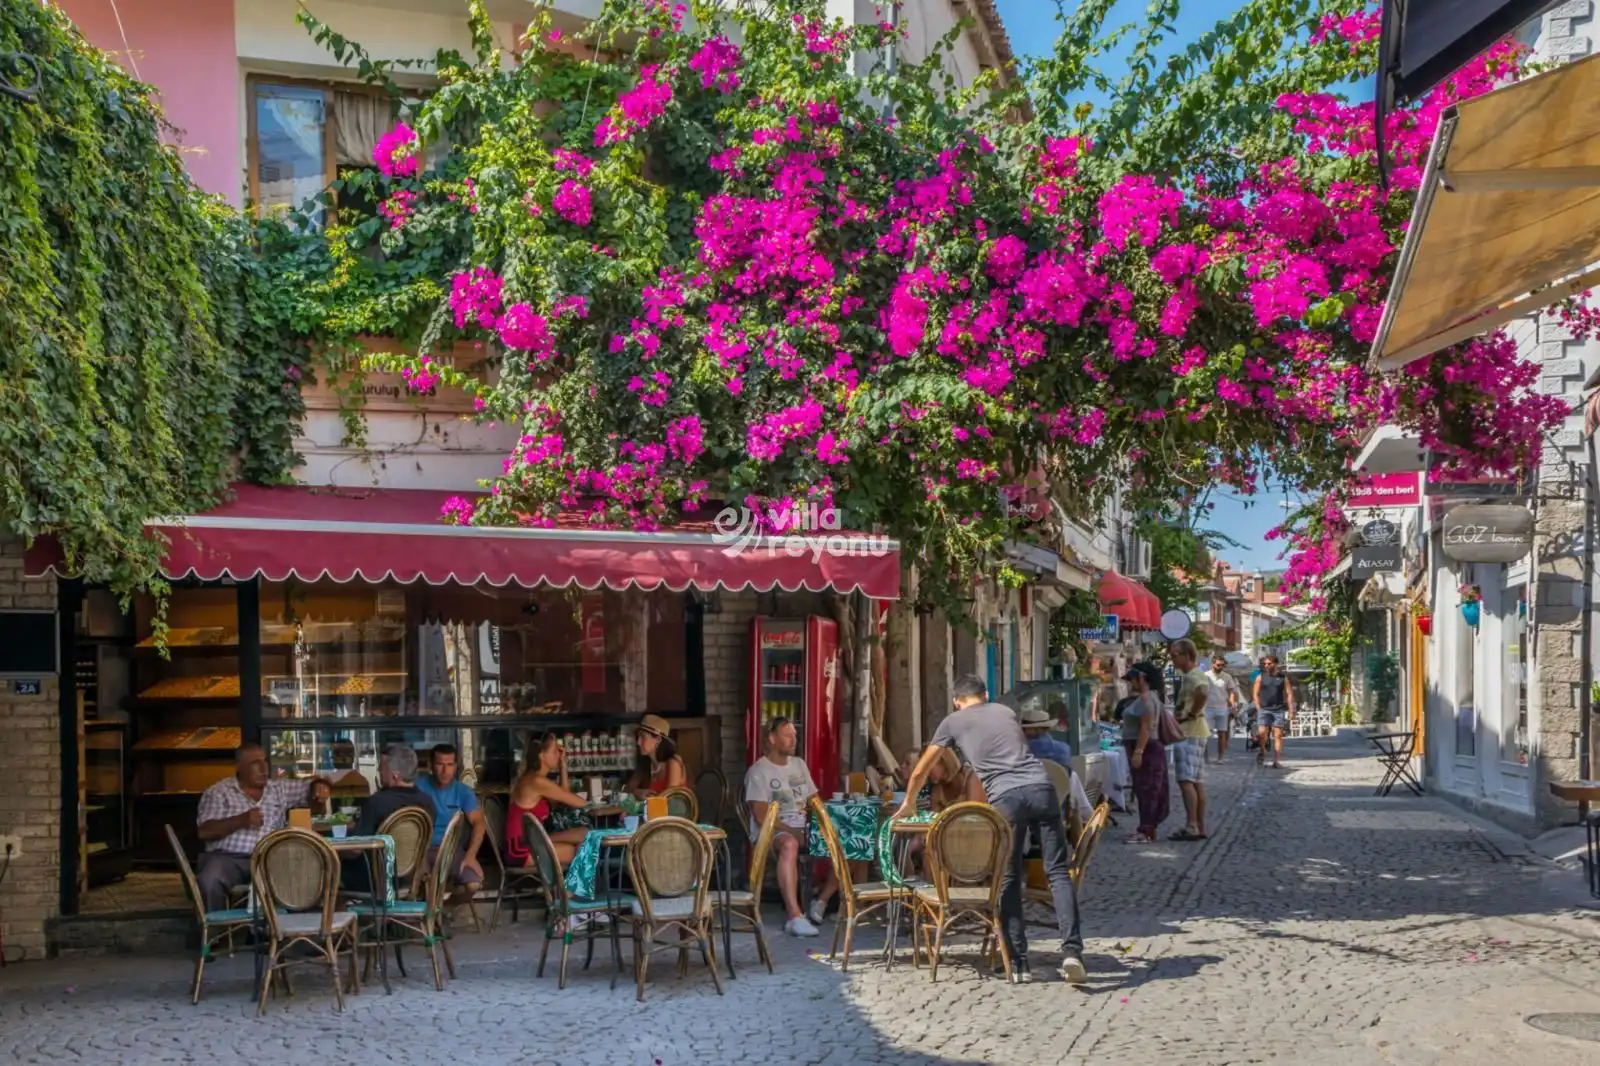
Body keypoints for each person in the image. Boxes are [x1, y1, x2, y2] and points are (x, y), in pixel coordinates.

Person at [896, 675, 1086, 986]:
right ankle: (1072, 952)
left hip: (1006, 798)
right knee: (1058, 873)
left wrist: (909, 803)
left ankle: (1018, 962)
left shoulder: (952, 721)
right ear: (985, 694)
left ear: (957, 701)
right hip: (1041, 787)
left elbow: (921, 769)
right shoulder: (1006, 712)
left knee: (1008, 876)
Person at [194, 744, 330, 911]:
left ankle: (289, 932)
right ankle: (217, 934)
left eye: (265, 761)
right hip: (228, 859)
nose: (264, 768)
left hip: (270, 858)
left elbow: (310, 786)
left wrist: (320, 785)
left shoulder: (278, 789)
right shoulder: (218, 792)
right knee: (211, 879)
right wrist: (241, 820)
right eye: (255, 763)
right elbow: (205, 831)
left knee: (309, 872)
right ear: (240, 767)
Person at [744, 716, 836, 937]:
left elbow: (814, 801)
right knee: (789, 844)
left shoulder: (799, 765)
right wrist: (795, 832)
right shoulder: (759, 771)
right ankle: (795, 917)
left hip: (804, 827)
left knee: (851, 839)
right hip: (774, 831)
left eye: (794, 734)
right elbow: (761, 817)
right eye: (787, 735)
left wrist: (826, 824)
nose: (794, 739)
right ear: (772, 738)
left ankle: (821, 902)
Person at [342, 743, 430, 891]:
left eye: (382, 768)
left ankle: (333, 913)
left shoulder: (377, 802)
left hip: (375, 880)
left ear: (395, 775)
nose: (378, 771)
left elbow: (355, 849)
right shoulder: (427, 803)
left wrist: (334, 850)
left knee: (329, 865)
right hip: (410, 879)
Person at [505, 733, 591, 867]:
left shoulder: (536, 779)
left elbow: (563, 797)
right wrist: (598, 804)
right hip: (520, 848)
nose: (560, 753)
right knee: (581, 850)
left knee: (585, 834)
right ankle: (571, 888)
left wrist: (563, 765)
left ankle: (570, 886)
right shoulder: (536, 781)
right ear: (541, 755)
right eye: (555, 750)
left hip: (532, 840)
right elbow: (576, 802)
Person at [416, 744, 486, 896]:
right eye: (440, 764)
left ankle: (443, 909)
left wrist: (471, 855)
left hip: (451, 850)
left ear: (455, 767)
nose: (445, 770)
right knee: (417, 886)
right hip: (420, 850)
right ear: (430, 765)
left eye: (449, 765)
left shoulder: (463, 792)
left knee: (474, 884)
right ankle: (429, 913)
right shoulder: (417, 787)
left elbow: (479, 823)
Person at [1120, 662, 1169, 845]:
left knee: (1147, 789)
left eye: (1132, 678)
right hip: (1148, 748)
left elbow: (1146, 727)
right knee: (1149, 789)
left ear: (1141, 678)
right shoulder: (1149, 698)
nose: (1130, 682)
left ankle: (1145, 831)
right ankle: (1149, 828)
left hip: (1146, 748)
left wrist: (1138, 752)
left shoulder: (1146, 700)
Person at [1019, 707, 1093, 826]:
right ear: (1046, 728)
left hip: (1024, 803)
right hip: (1057, 804)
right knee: (1072, 778)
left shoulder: (1018, 750)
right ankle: (1086, 817)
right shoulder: (1063, 749)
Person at [1169, 639, 1211, 841]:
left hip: (1189, 732)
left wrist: (1192, 713)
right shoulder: (1189, 675)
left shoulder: (1195, 675)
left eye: (1175, 655)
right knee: (1196, 782)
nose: (1172, 658)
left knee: (1186, 781)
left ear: (1188, 655)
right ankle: (1200, 826)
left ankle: (1192, 825)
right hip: (1196, 731)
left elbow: (1203, 691)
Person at [627, 714, 687, 797]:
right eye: (638, 737)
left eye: (643, 737)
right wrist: (638, 792)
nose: (638, 742)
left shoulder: (673, 762)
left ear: (658, 739)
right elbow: (627, 789)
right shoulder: (646, 764)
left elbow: (670, 798)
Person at [1253, 655, 1295, 768]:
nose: (1266, 666)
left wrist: (1291, 710)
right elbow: (1255, 693)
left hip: (1278, 709)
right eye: (1265, 664)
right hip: (1264, 709)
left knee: (1278, 735)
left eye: (1269, 663)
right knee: (1262, 733)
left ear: (1276, 664)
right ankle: (1262, 750)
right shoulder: (1260, 677)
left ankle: (1276, 760)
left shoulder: (1283, 678)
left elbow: (1289, 694)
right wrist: (1258, 706)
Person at [1203, 655, 1241, 762]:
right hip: (1208, 708)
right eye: (1218, 665)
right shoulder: (1206, 675)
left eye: (1223, 665)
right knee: (1205, 734)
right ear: (1213, 664)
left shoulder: (1227, 676)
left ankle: (1220, 757)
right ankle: (1206, 756)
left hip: (1222, 708)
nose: (1220, 667)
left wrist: (1233, 704)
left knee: (1222, 733)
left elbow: (1232, 691)